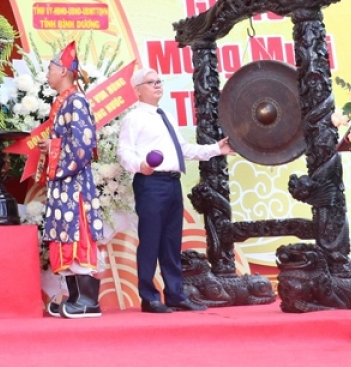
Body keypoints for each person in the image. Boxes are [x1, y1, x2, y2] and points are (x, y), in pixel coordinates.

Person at [117, 68, 233, 313]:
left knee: (171, 241)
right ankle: (149, 297)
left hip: (172, 183)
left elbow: (183, 150)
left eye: (159, 81)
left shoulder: (165, 115)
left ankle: (175, 294)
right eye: (151, 82)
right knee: (150, 241)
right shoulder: (134, 118)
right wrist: (141, 166)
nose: (158, 85)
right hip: (150, 183)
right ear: (137, 90)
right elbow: (124, 153)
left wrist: (215, 149)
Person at [40, 42, 104, 319]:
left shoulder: (76, 101)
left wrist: (54, 148)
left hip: (73, 183)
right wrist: (52, 146)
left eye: (50, 68)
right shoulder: (64, 101)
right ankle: (76, 297)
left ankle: (89, 300)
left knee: (77, 234)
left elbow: (83, 144)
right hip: (63, 182)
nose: (47, 74)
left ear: (64, 71)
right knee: (64, 235)